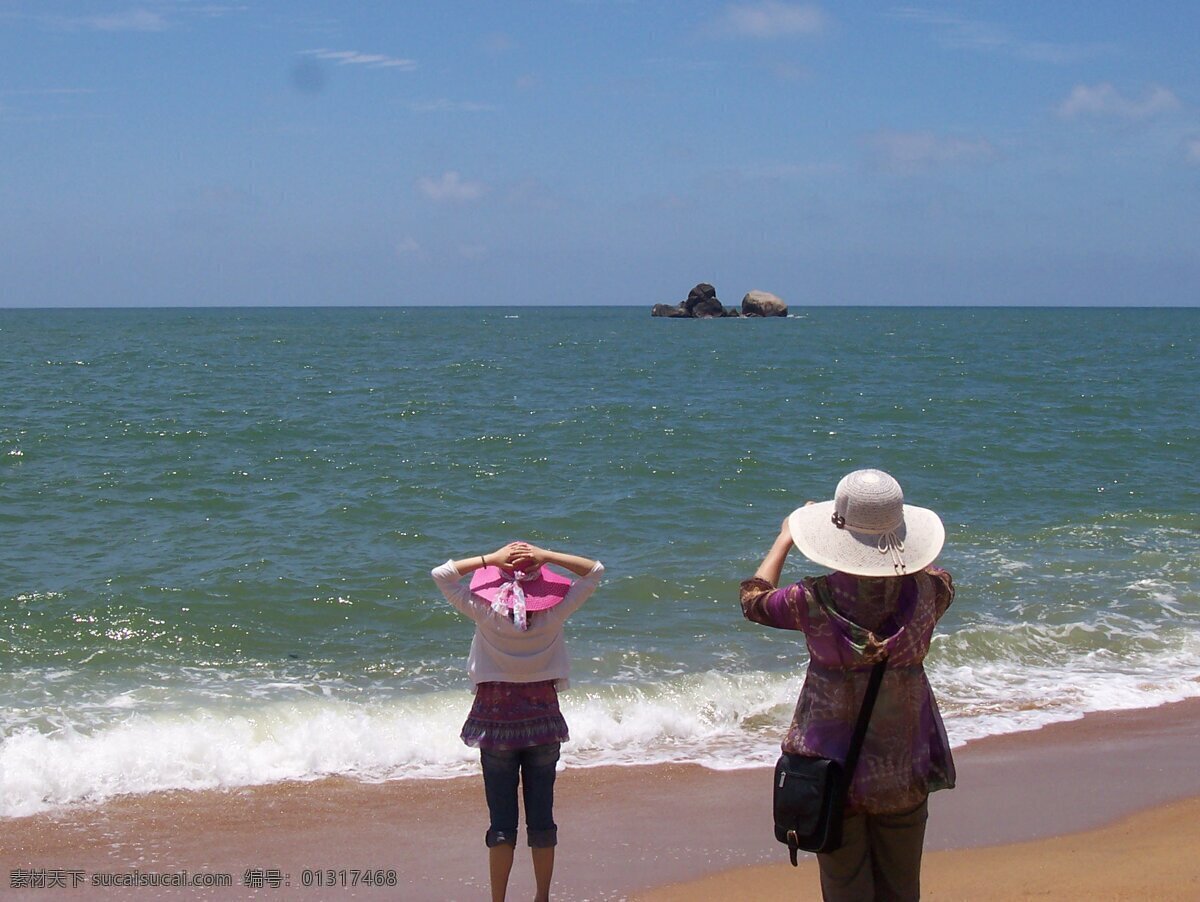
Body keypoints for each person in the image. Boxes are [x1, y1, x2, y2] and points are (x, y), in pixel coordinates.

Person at [740, 469, 955, 901]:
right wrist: (898, 546)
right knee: (901, 887)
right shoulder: (934, 591)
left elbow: (753, 600)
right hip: (903, 763)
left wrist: (785, 537)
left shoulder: (812, 598)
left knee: (844, 889)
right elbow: (929, 570)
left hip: (831, 768)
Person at [431, 541, 604, 902]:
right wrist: (548, 555)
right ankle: (541, 897)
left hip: (494, 726)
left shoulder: (484, 610)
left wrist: (490, 558)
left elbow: (442, 575)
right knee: (542, 821)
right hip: (542, 724)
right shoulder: (555, 612)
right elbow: (595, 571)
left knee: (501, 824)